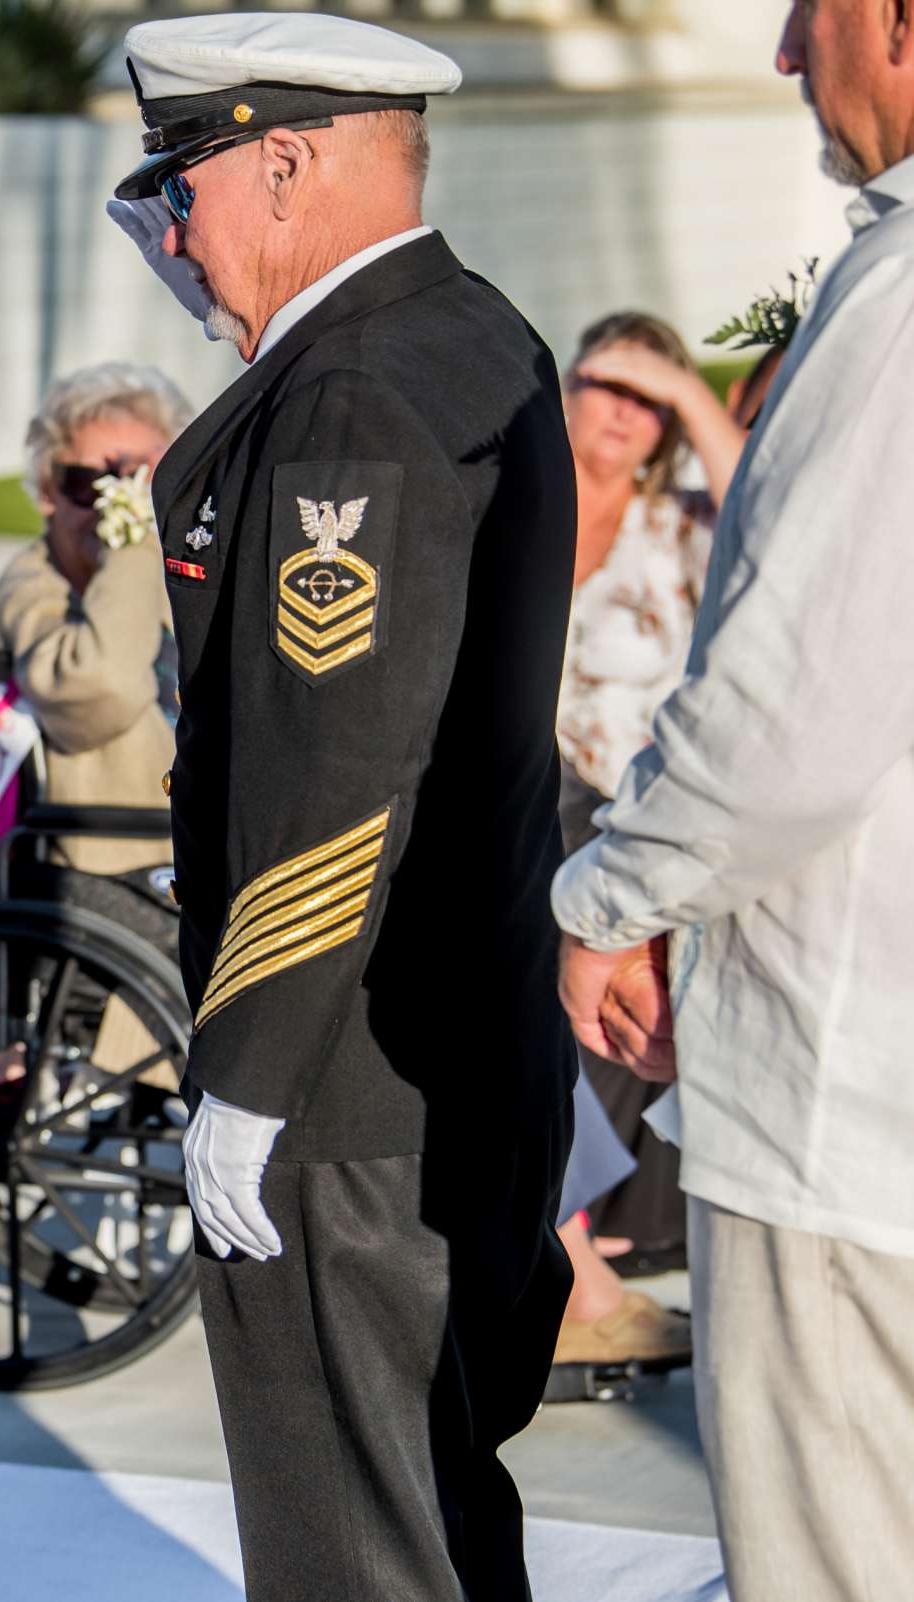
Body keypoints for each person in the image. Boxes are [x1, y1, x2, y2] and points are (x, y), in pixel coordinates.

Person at [108, 15, 576, 1599]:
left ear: (286, 163)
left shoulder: (351, 396)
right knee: (438, 1503)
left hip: (343, 1069)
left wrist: (246, 1073)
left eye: (182, 184)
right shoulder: (473, 330)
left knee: (352, 1546)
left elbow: (336, 766)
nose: (172, 231)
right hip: (468, 1044)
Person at [553, 7, 914, 1597]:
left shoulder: (901, 301)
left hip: (856, 1104)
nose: (781, 52)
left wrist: (609, 900)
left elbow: (789, 714)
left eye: (810, 9)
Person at [549, 311, 746, 1371]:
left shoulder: (683, 523)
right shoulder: (519, 501)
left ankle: (576, 1232)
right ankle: (568, 1240)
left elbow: (779, 509)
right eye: (603, 383)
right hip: (521, 799)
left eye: (643, 395)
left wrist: (688, 390)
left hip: (634, 810)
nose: (620, 411)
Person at [0, 361, 187, 944]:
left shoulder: (177, 578)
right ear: (47, 491)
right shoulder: (32, 584)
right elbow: (99, 690)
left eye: (139, 481)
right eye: (87, 485)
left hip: (192, 850)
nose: (109, 506)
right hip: (108, 872)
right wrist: (131, 540)